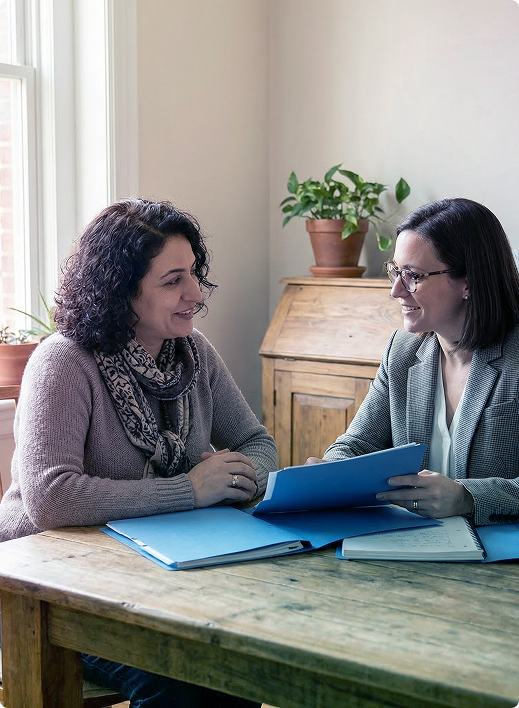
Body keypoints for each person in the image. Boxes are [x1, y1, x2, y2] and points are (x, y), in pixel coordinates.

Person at [0, 198, 278, 707]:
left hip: (161, 574)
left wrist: (241, 477)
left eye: (193, 274)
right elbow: (49, 498)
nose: (194, 293)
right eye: (173, 280)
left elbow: (257, 443)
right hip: (49, 587)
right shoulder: (62, 361)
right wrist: (189, 491)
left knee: (243, 661)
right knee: (183, 677)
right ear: (120, 291)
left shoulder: (196, 353)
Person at [308, 197, 519, 527]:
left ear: (468, 281)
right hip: (416, 547)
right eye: (396, 271)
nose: (396, 290)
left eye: (413, 275)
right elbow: (358, 444)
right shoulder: (402, 352)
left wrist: (467, 497)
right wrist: (330, 472)